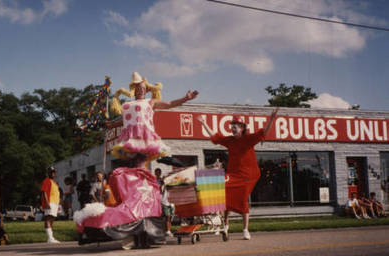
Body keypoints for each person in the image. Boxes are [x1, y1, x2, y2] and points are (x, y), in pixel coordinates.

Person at [198, 108, 279, 240]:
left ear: (242, 127)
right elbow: (215, 137)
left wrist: (272, 119)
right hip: (233, 173)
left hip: (249, 174)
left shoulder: (248, 139)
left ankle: (245, 230)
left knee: (242, 200)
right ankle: (225, 225)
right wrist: (203, 123)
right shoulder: (230, 140)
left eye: (235, 126)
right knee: (223, 191)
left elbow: (264, 133)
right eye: (232, 126)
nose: (233, 128)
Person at [109, 71, 198, 168]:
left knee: (140, 164)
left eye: (144, 88)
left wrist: (185, 98)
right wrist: (112, 125)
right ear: (134, 90)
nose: (141, 90)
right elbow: (127, 121)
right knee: (132, 164)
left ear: (147, 90)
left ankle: (143, 178)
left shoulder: (150, 102)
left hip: (145, 137)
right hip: (131, 138)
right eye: (139, 88)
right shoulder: (128, 105)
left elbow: (170, 104)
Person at [41, 166, 60, 243]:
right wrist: (47, 202)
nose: (53, 173)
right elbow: (44, 192)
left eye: (54, 172)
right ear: (48, 173)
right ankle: (50, 238)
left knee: (52, 219)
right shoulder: (46, 180)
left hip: (55, 203)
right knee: (48, 218)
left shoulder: (54, 182)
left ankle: (51, 237)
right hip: (50, 202)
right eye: (51, 172)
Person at [155, 168, 173, 237]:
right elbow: (159, 190)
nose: (158, 174)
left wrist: (164, 181)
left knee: (168, 216)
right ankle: (161, 231)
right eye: (156, 172)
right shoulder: (154, 181)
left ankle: (168, 231)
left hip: (165, 201)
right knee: (159, 217)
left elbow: (168, 188)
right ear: (155, 173)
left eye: (159, 172)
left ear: (160, 173)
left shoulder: (164, 181)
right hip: (158, 201)